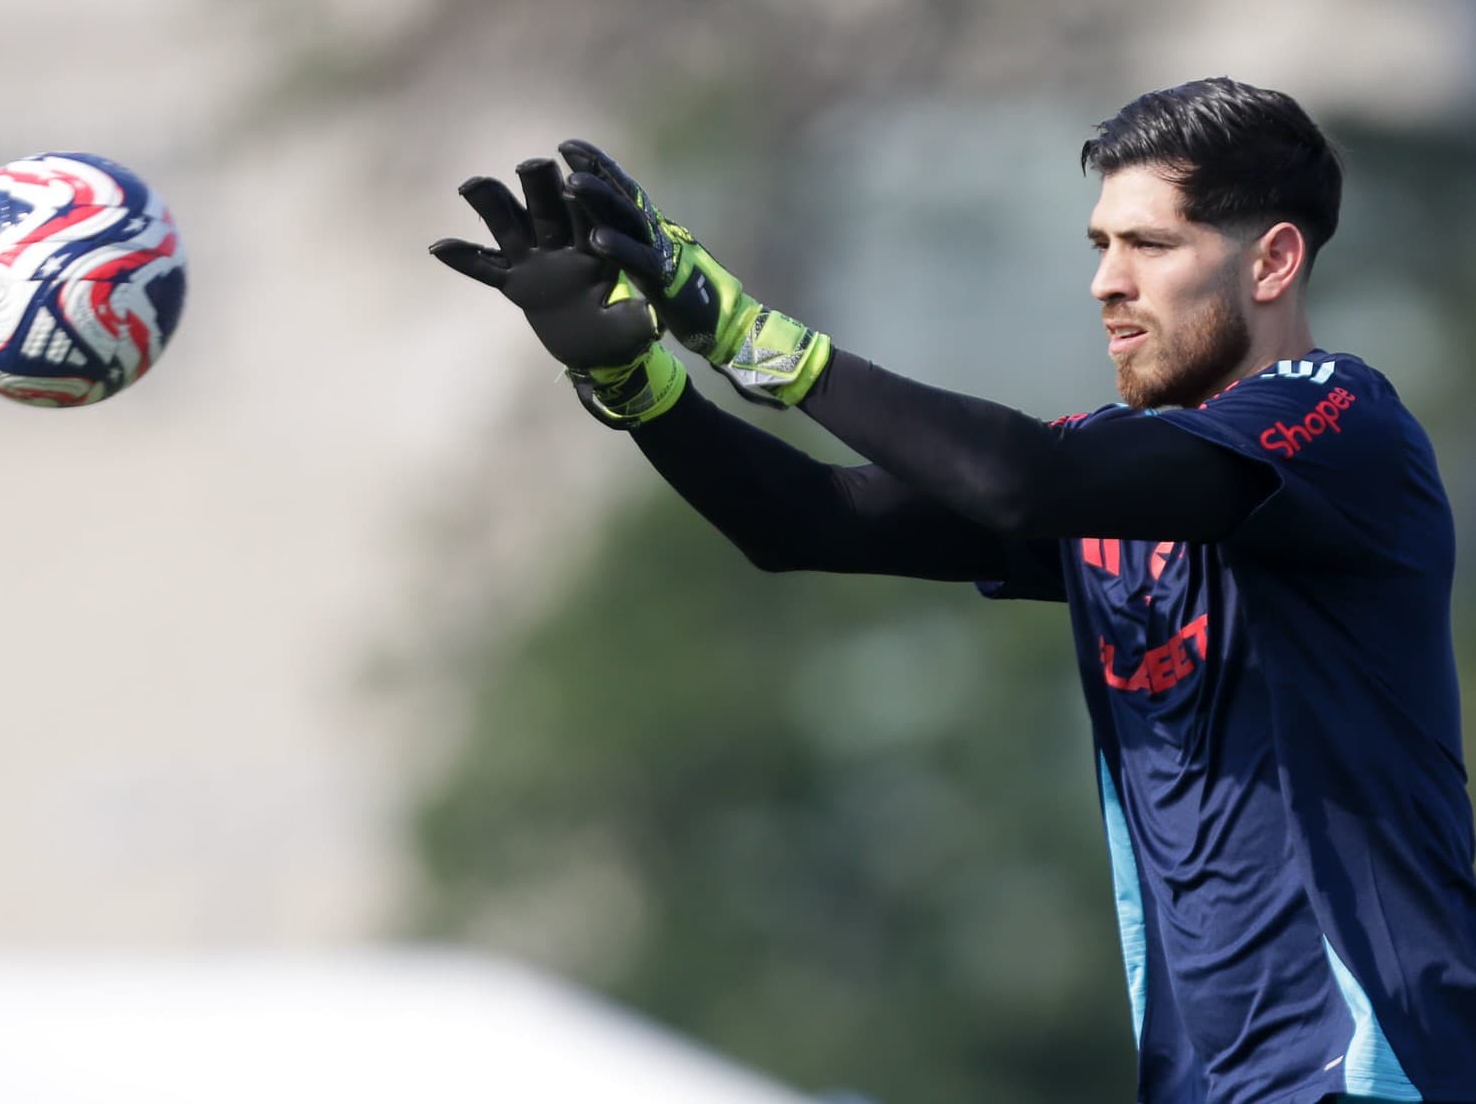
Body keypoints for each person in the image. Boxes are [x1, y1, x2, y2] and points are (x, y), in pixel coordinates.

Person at [431, 77, 1476, 1104]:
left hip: (1382, 1068)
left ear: (1274, 261)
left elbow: (1017, 481)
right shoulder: (1110, 477)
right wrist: (638, 387)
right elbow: (808, 522)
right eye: (1101, 245)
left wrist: (744, 332)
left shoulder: (1342, 428)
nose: (1107, 282)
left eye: (1151, 246)